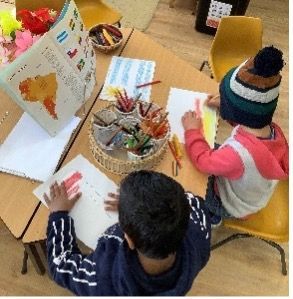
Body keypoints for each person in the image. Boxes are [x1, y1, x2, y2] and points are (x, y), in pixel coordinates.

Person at [45, 170, 211, 296]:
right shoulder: (199, 234)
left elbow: (61, 266)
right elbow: (191, 201)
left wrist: (58, 215)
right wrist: (137, 207)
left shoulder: (105, 276)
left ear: (129, 240)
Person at [181, 46, 289, 227]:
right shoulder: (271, 131)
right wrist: (224, 106)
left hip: (232, 205)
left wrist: (192, 130)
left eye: (224, 98)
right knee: (210, 145)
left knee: (188, 183)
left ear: (234, 110)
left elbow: (204, 162)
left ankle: (212, 214)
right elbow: (245, 123)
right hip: (254, 193)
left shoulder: (237, 155)